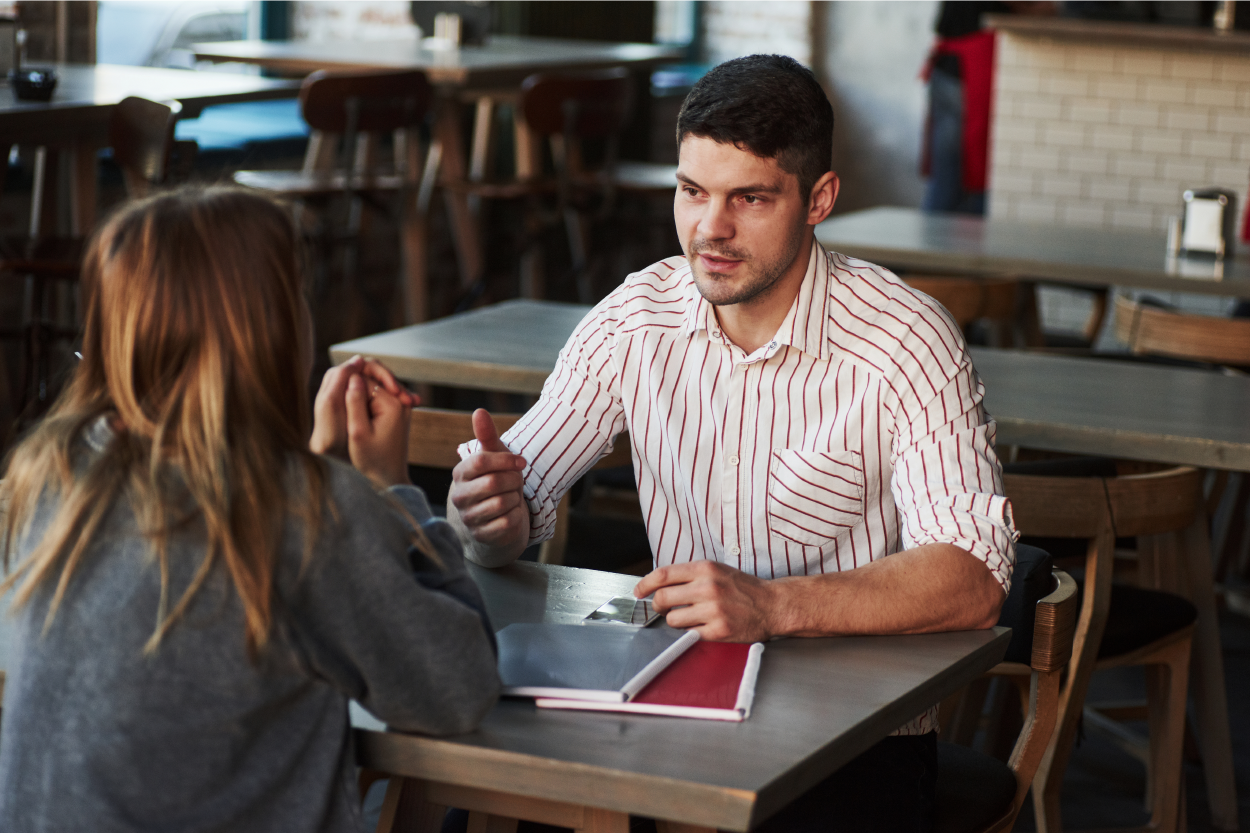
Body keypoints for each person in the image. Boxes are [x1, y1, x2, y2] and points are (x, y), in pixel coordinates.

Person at [449, 55, 1016, 831]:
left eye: (748, 198)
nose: (708, 229)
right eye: (691, 192)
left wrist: (771, 604)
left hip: (851, 738)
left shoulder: (905, 339)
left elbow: (975, 577)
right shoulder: (634, 317)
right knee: (484, 812)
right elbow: (520, 499)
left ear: (818, 199)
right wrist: (488, 514)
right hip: (666, 708)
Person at [0, 187, 500, 833]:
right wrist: (387, 487)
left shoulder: (44, 477)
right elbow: (460, 687)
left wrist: (318, 476)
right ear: (273, 330)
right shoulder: (302, 509)